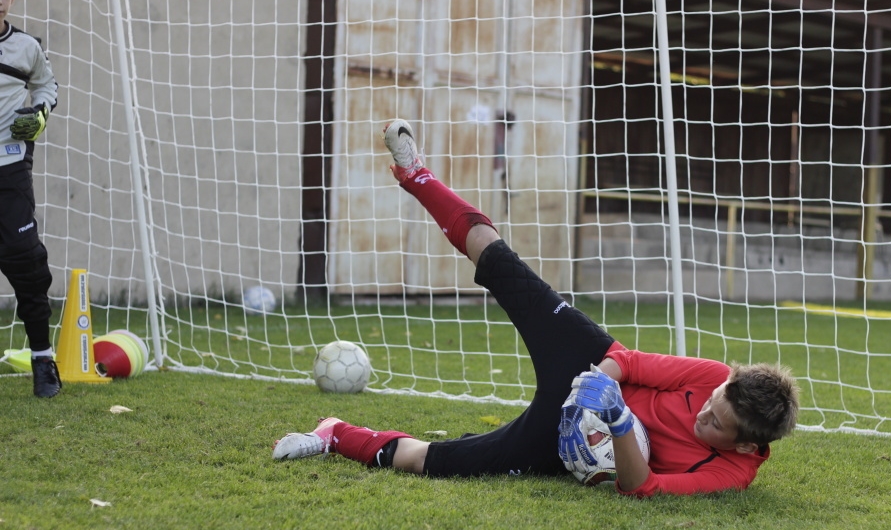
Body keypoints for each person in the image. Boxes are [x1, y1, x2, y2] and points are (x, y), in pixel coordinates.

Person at [272, 119, 799, 496]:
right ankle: (418, 176)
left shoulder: (732, 473)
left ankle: (334, 433)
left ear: (745, 448)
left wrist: (610, 420)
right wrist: (597, 388)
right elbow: (630, 361)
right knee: (502, 263)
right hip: (589, 366)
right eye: (713, 401)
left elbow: (642, 487)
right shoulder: (711, 375)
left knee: (442, 463)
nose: (705, 411)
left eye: (715, 423)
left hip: (571, 442)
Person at [0, 0, 61, 397]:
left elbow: (46, 86)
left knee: (28, 264)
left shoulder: (26, 47)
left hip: (9, 170)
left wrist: (40, 112)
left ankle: (43, 360)